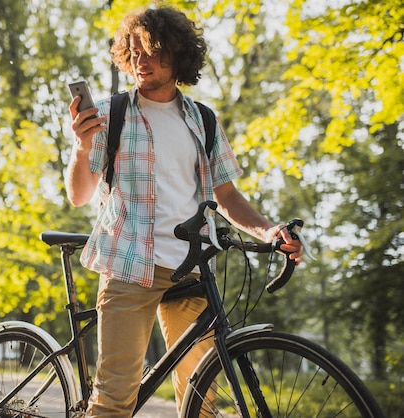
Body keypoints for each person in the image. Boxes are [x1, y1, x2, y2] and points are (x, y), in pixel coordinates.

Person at [65, 6, 303, 417]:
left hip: (192, 268)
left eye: (152, 50)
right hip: (128, 264)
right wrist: (82, 146)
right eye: (133, 50)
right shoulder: (110, 114)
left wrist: (268, 231)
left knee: (201, 400)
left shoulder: (202, 120)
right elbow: (79, 195)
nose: (141, 60)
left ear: (177, 55)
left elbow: (227, 195)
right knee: (114, 402)